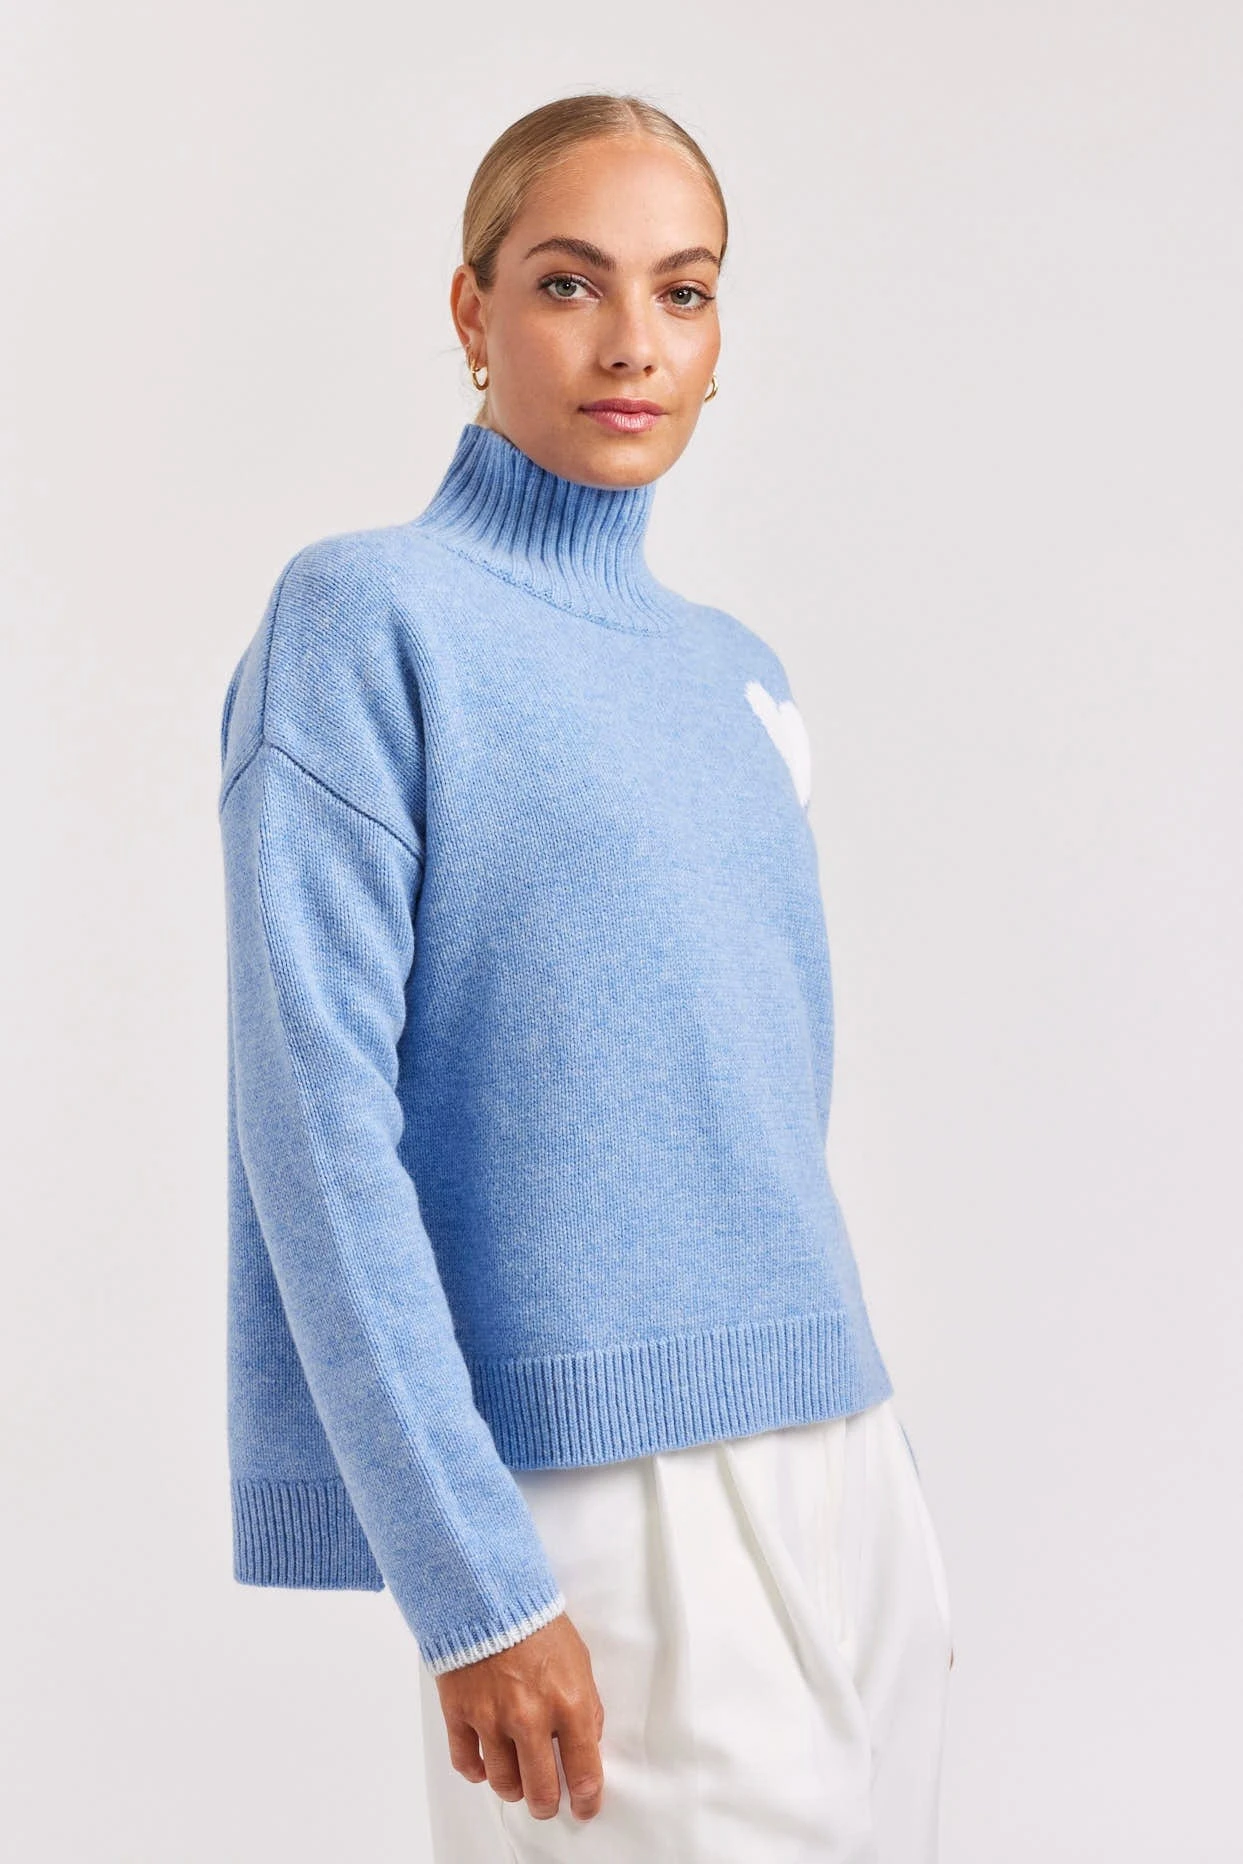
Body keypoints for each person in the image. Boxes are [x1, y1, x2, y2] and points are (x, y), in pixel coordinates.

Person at [218, 91, 954, 1863]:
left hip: (846, 1462)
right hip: (594, 1498)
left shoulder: (735, 673)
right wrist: (467, 1577)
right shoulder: (366, 619)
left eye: (682, 291)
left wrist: (881, 1490)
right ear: (469, 311)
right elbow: (315, 1137)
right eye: (569, 283)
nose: (633, 343)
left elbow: (746, 1099)